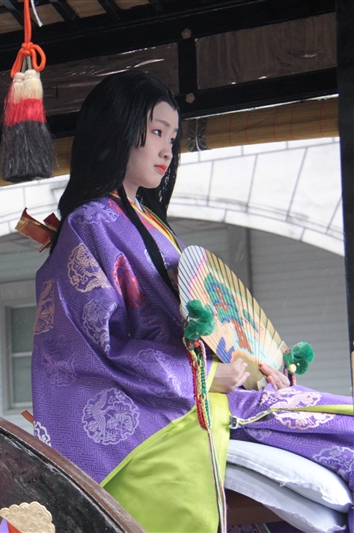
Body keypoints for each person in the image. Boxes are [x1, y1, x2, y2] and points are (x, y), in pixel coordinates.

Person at [30, 71, 354, 532]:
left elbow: (202, 328)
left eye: (172, 137)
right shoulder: (89, 225)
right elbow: (86, 352)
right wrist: (199, 378)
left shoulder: (150, 224)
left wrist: (254, 366)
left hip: (200, 390)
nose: (167, 149)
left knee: (331, 418)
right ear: (117, 129)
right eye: (156, 132)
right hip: (164, 408)